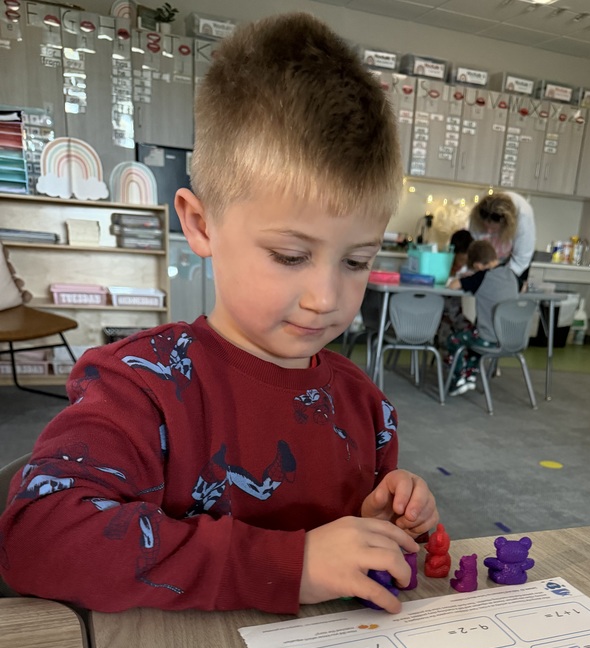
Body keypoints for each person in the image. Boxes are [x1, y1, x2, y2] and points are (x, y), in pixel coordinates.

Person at [0, 14, 438, 615]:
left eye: (357, 261)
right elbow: (38, 538)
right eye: (290, 256)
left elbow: (358, 560)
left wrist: (384, 522)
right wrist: (289, 564)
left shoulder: (367, 408)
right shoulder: (142, 387)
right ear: (201, 225)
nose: (326, 297)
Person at [444, 239, 519, 396]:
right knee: (474, 334)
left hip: (489, 338)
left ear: (477, 265)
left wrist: (470, 277)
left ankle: (458, 378)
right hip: (510, 337)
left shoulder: (482, 277)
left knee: (455, 339)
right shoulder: (511, 274)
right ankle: (470, 375)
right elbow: (522, 287)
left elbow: (453, 285)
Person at [467, 192, 536, 288]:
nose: (489, 231)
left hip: (513, 264)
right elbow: (474, 250)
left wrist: (498, 279)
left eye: (493, 229)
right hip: (489, 262)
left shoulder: (523, 218)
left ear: (506, 223)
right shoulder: (478, 215)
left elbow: (520, 261)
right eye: (485, 227)